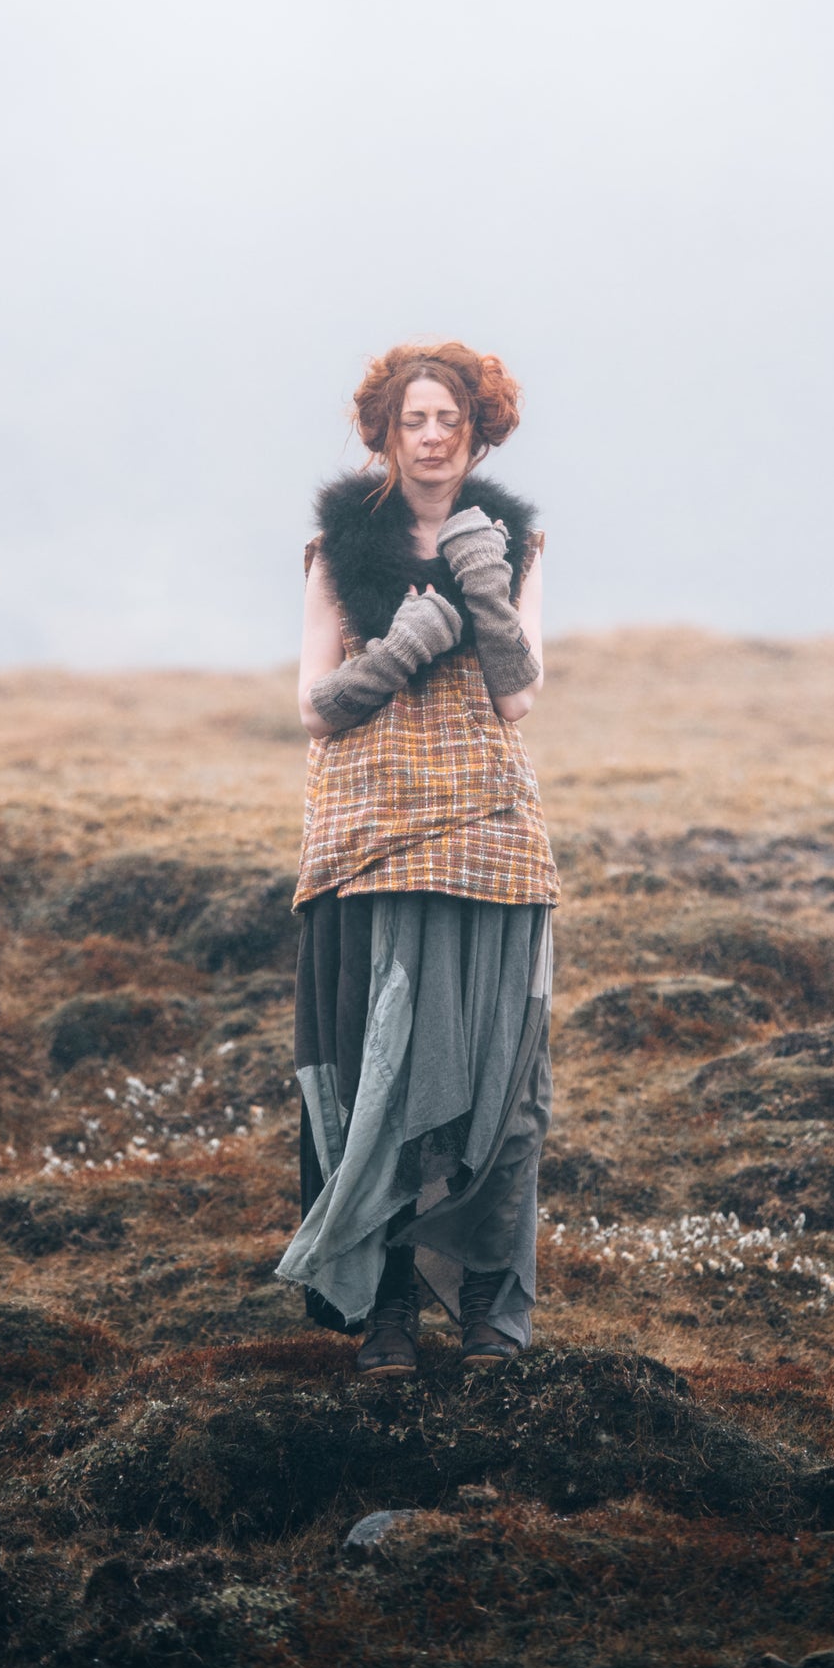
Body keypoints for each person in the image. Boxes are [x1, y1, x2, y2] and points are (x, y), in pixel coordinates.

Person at [275, 340, 559, 1375]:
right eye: (413, 421)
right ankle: (384, 1305)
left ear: (477, 429)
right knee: (380, 1073)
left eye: (449, 419)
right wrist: (404, 640)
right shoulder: (333, 548)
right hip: (368, 832)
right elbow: (313, 707)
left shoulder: (512, 541)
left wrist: (479, 595)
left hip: (489, 831)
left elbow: (517, 692)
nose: (431, 437)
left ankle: (486, 1309)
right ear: (384, 434)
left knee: (496, 1079)